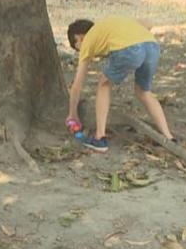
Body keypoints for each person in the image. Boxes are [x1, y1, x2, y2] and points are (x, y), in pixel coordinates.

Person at [66, 16, 175, 154]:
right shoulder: (110, 25)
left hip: (129, 50)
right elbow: (148, 22)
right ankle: (169, 138)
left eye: (77, 48)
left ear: (79, 38)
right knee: (143, 92)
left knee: (103, 85)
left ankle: (100, 138)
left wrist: (72, 114)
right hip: (152, 47)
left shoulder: (88, 41)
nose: (80, 52)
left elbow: (77, 84)